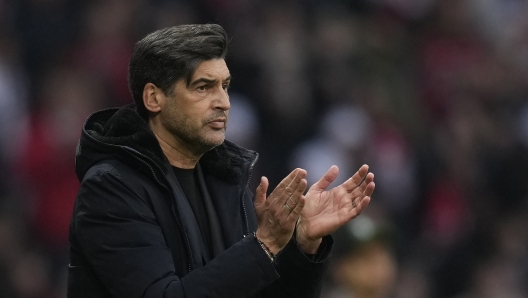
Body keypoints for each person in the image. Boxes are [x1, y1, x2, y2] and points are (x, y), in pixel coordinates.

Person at [67, 24, 375, 298]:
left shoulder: (225, 180)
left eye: (225, 86)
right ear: (154, 98)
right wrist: (264, 244)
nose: (223, 102)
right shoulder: (112, 188)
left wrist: (302, 245)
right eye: (203, 87)